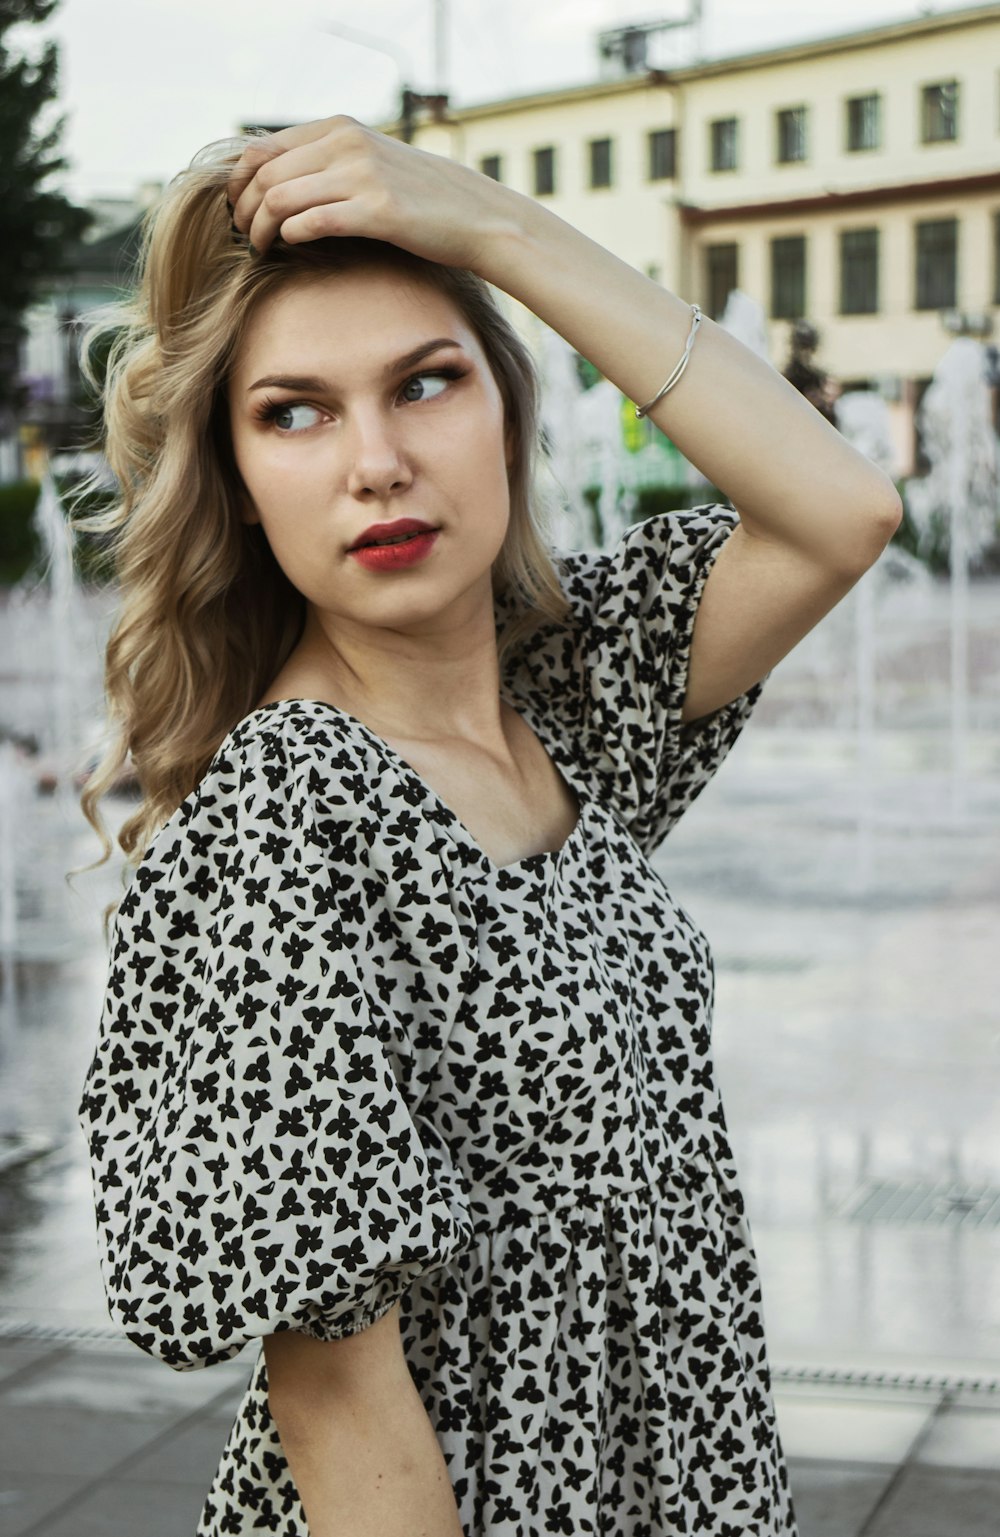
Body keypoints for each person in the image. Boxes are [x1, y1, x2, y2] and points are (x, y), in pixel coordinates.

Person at [76, 115, 902, 1537]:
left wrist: (501, 232)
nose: (377, 461)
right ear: (237, 478)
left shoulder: (565, 702)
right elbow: (338, 1401)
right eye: (296, 411)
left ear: (510, 411)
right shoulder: (284, 827)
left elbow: (840, 508)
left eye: (427, 383)